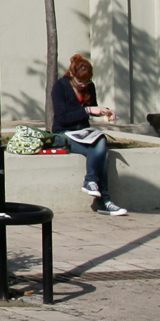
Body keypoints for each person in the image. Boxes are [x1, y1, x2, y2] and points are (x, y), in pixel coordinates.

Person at [52, 54, 128, 216]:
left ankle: (92, 184)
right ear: (72, 75)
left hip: (84, 133)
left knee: (100, 145)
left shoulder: (89, 87)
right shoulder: (60, 86)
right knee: (103, 153)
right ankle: (104, 201)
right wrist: (87, 110)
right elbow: (62, 118)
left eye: (86, 82)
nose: (83, 85)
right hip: (63, 133)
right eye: (80, 82)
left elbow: (92, 108)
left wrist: (104, 111)